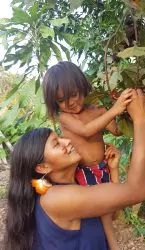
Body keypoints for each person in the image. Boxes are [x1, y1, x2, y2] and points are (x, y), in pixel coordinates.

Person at [4, 89, 145, 250]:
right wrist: (141, 120)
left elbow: (111, 212)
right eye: (56, 144)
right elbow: (137, 191)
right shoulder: (55, 198)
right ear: (42, 167)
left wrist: (113, 171)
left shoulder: (75, 182)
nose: (66, 141)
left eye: (60, 137)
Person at [42, 61, 133, 249]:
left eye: (74, 94)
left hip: (104, 168)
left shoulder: (97, 109)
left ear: (83, 86)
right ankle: (113, 245)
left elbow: (116, 130)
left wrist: (126, 113)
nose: (70, 103)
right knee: (104, 212)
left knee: (112, 207)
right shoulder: (65, 117)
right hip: (84, 172)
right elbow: (85, 131)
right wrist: (115, 109)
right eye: (61, 100)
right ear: (55, 103)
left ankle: (107, 241)